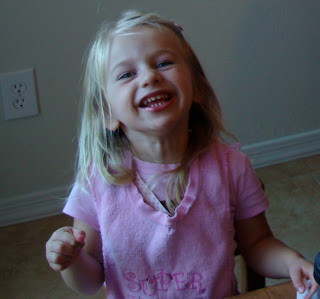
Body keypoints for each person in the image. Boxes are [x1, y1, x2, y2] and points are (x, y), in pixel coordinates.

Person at [45, 10, 318, 299]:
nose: (150, 76)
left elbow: (257, 244)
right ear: (106, 112)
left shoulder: (232, 167)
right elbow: (90, 281)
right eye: (127, 74)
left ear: (197, 86)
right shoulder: (97, 181)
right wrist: (71, 262)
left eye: (163, 63)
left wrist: (291, 261)